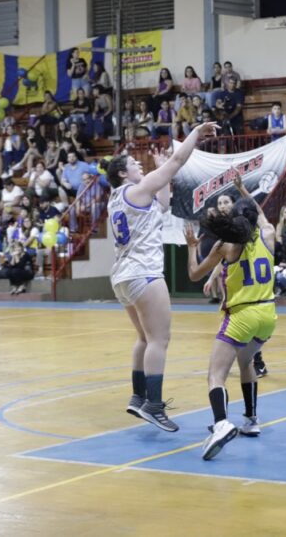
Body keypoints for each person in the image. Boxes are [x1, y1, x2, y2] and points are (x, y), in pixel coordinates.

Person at [105, 121, 218, 433]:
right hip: (144, 272)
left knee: (144, 337)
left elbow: (164, 205)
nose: (138, 163)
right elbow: (178, 162)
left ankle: (138, 397)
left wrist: (161, 174)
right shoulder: (138, 189)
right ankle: (154, 406)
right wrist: (195, 133)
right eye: (132, 163)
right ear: (121, 174)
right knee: (160, 339)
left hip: (123, 277)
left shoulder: (118, 198)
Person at [185, 177, 278, 461]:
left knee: (215, 375)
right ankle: (251, 420)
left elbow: (193, 274)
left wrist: (191, 246)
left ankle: (222, 423)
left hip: (243, 314)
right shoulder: (268, 234)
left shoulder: (226, 246)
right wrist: (241, 190)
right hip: (268, 315)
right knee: (246, 361)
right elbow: (259, 212)